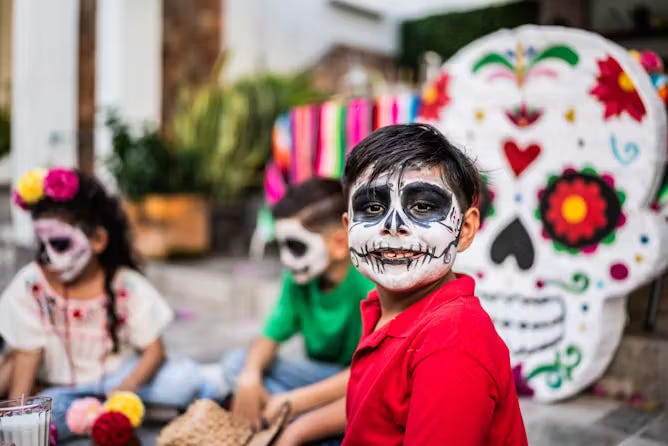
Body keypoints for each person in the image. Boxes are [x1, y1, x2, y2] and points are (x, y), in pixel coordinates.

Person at [291, 124, 527, 445]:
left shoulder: (452, 342)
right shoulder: (383, 307)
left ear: (466, 229)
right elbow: (369, 410)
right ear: (348, 230)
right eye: (372, 208)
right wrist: (293, 432)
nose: (393, 225)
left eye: (423, 207)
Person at [0, 167, 203, 441]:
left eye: (59, 243)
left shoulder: (125, 285)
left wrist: (127, 387)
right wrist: (18, 424)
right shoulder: (31, 284)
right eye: (42, 244)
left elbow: (155, 351)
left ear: (98, 240)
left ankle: (101, 415)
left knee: (184, 383)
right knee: (45, 413)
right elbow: (27, 355)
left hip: (119, 377)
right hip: (63, 389)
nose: (49, 256)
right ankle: (95, 418)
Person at [221, 177, 374, 444]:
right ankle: (310, 423)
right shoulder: (298, 280)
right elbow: (269, 337)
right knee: (237, 363)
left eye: (295, 246)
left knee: (371, 401)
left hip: (364, 385)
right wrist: (249, 376)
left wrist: (295, 401)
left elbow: (371, 372)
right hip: (321, 380)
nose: (284, 259)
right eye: (281, 247)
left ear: (339, 244)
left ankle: (301, 422)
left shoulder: (368, 283)